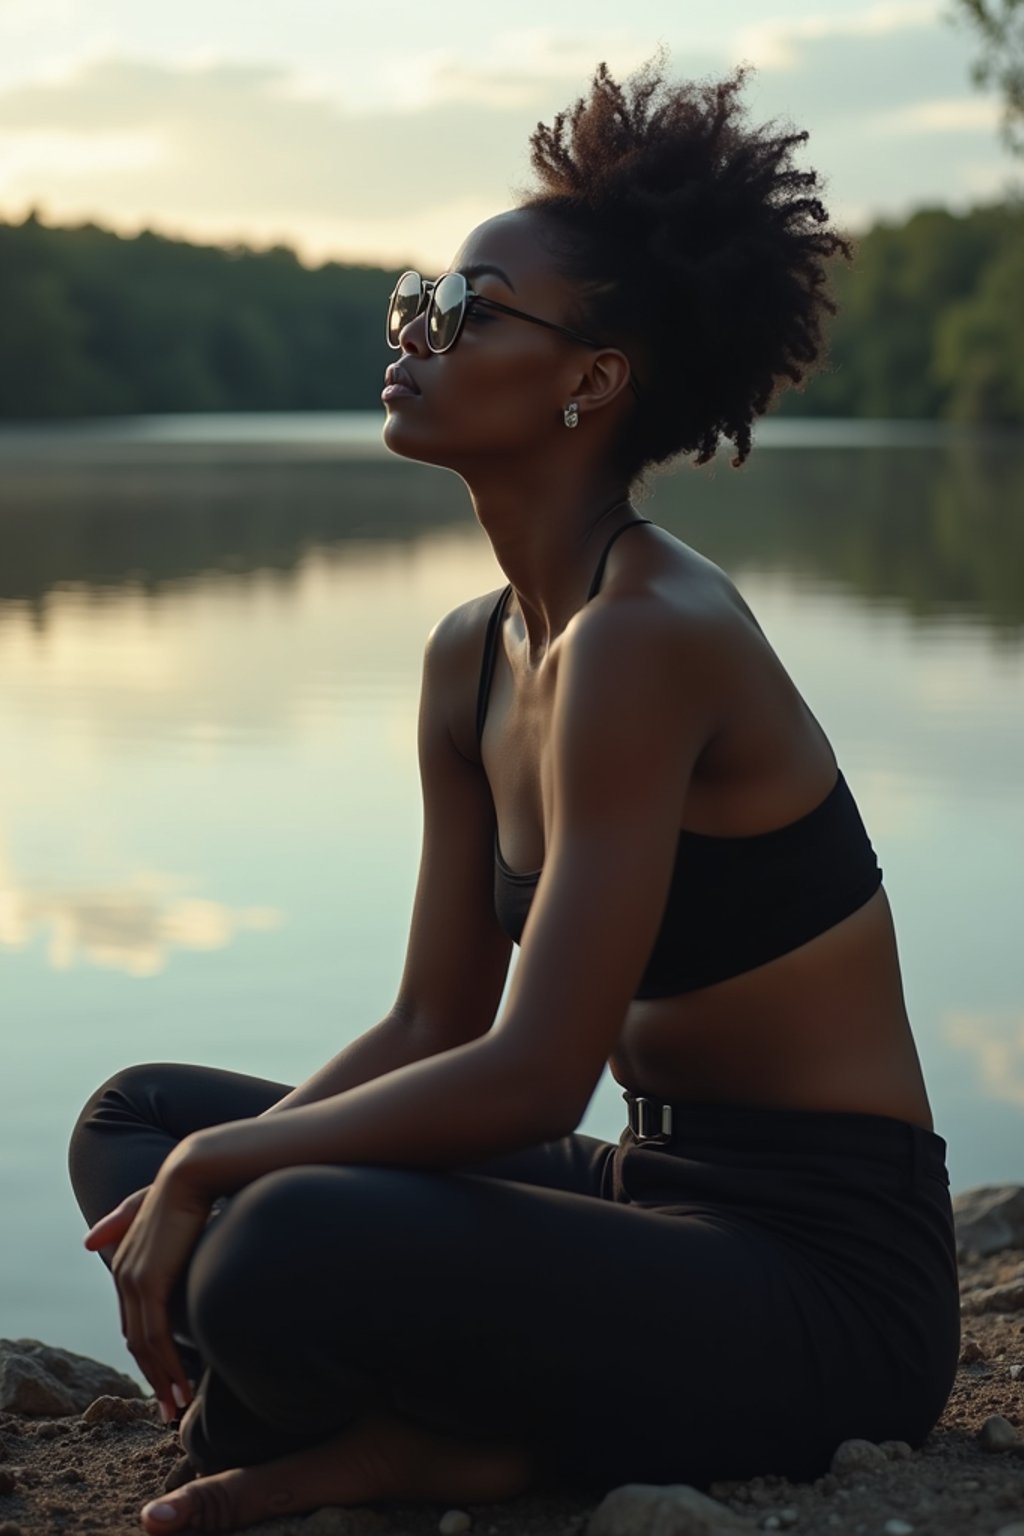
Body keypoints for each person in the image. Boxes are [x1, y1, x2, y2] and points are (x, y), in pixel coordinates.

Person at [68, 59, 960, 1536]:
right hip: (646, 1190)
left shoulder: (651, 639)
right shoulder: (469, 657)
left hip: (826, 1281)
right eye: (418, 300)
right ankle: (442, 1427)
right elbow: (436, 1024)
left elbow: (537, 1074)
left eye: (465, 310)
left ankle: (438, 1440)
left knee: (267, 1228)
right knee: (139, 1123)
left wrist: (231, 1174)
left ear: (591, 379)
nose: (411, 335)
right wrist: (201, 1162)